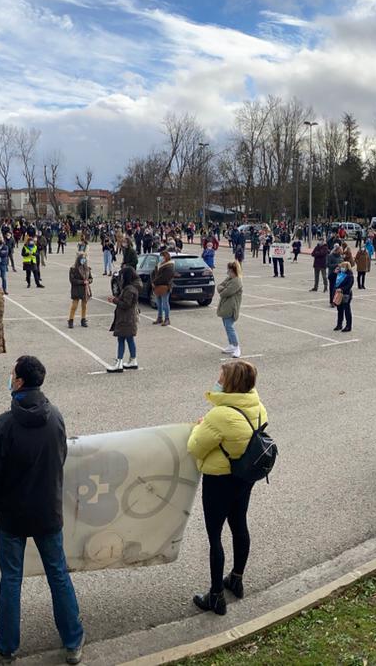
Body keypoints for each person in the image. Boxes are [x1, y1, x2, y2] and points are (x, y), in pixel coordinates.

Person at [0, 355, 84, 665]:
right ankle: (73, 640)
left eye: (12, 375)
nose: (10, 378)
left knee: (11, 578)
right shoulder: (56, 418)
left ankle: (6, 647)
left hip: (11, 516)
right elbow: (60, 457)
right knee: (58, 573)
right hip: (47, 511)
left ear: (20, 383)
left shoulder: (4, 424)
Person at [185, 360, 268, 616]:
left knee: (215, 536)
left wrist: (200, 426)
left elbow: (195, 447)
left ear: (230, 383)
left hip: (220, 479)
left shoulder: (220, 415)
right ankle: (236, 578)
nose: (218, 380)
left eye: (221, 377)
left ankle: (215, 596)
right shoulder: (256, 406)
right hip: (244, 477)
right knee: (239, 524)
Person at [110, 265, 140, 372]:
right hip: (128, 318)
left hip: (126, 318)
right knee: (129, 338)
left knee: (121, 338)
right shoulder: (131, 288)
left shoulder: (129, 289)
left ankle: (119, 362)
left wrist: (115, 300)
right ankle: (133, 359)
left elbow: (126, 304)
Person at [217, 260, 243, 357]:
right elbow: (219, 286)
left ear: (234, 271)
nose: (228, 273)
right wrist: (222, 289)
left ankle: (236, 347)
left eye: (229, 271)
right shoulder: (229, 279)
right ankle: (231, 345)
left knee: (230, 327)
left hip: (231, 308)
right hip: (225, 307)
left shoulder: (237, 281)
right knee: (227, 327)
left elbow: (225, 292)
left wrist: (222, 289)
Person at [67, 252, 92, 329]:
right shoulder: (73, 268)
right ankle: (70, 320)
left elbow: (91, 278)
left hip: (85, 289)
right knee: (74, 306)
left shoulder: (87, 268)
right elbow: (72, 280)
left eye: (85, 259)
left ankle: (83, 319)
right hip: (76, 289)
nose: (83, 260)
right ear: (79, 259)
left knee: (84, 305)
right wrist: (82, 282)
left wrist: (89, 281)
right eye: (82, 259)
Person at [152, 251, 176, 326]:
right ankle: (159, 317)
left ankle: (167, 319)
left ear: (166, 257)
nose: (161, 258)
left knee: (165, 303)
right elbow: (153, 273)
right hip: (157, 286)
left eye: (162, 256)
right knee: (158, 303)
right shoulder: (159, 264)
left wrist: (155, 282)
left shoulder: (169, 266)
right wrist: (153, 281)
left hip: (165, 286)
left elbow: (165, 277)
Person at [332, 260, 353, 332]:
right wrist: (334, 273)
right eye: (341, 267)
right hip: (338, 294)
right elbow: (330, 278)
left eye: (343, 267)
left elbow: (349, 285)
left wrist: (341, 289)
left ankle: (348, 326)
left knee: (347, 310)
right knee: (339, 310)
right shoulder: (340, 274)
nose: (341, 268)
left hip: (346, 294)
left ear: (347, 267)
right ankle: (339, 324)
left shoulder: (349, 275)